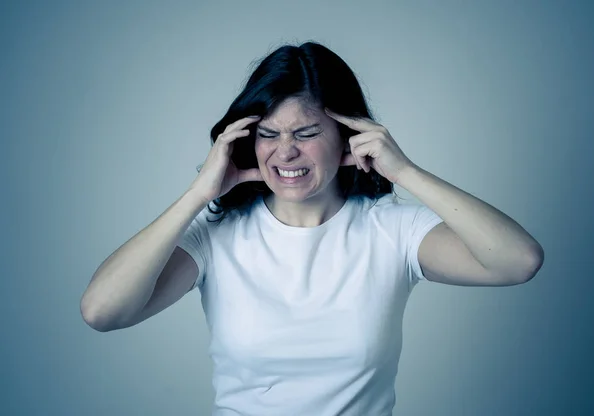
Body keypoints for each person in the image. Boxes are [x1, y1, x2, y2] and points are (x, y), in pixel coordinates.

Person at [80, 41, 545, 415]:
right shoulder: (216, 234)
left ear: (346, 137)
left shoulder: (393, 231)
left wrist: (405, 172)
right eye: (268, 134)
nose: (285, 153)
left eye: (305, 134)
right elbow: (102, 311)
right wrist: (197, 196)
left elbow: (519, 261)